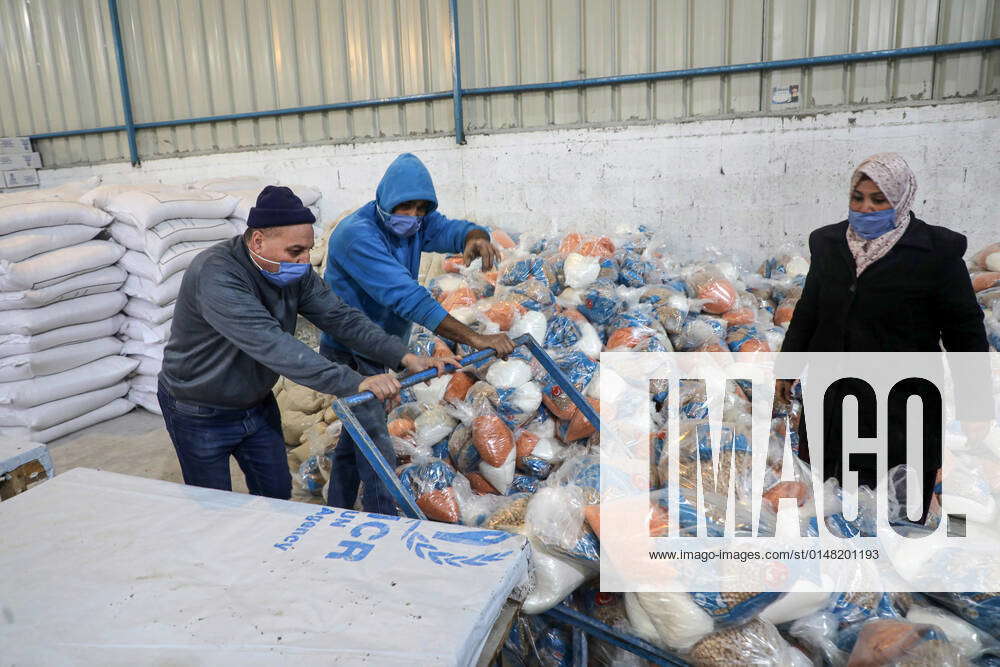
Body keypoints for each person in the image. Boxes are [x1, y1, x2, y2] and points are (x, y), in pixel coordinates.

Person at [158, 186, 458, 509]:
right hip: (200, 410)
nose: (304, 262)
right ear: (257, 241)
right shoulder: (217, 276)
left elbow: (342, 319)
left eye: (307, 251)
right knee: (213, 509)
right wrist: (355, 382)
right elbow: (275, 347)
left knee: (278, 498)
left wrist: (403, 355)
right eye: (295, 252)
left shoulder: (294, 273)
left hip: (256, 404)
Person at [778, 152, 990, 520]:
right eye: (857, 198)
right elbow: (808, 312)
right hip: (833, 395)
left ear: (902, 198)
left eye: (879, 200)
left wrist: (975, 406)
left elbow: (965, 331)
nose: (865, 208)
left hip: (899, 403)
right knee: (831, 493)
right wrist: (789, 366)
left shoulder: (936, 253)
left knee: (898, 497)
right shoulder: (828, 244)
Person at [321, 152, 515, 512]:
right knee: (377, 445)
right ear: (385, 200)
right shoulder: (356, 236)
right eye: (404, 207)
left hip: (384, 350)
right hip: (351, 352)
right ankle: (385, 525)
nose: (412, 217)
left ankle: (337, 510)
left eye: (420, 209)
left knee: (355, 438)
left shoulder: (416, 223)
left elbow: (452, 229)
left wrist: (474, 236)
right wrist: (475, 338)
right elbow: (408, 298)